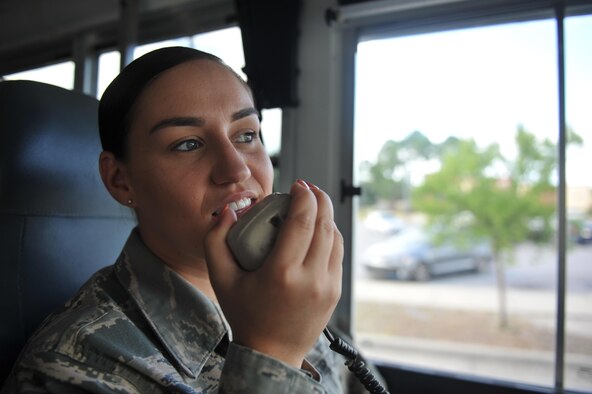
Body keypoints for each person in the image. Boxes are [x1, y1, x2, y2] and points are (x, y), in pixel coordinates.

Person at [1, 46, 360, 393]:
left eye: (247, 135)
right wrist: (272, 353)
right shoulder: (66, 368)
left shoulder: (292, 293)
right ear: (120, 180)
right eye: (188, 144)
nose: (235, 169)